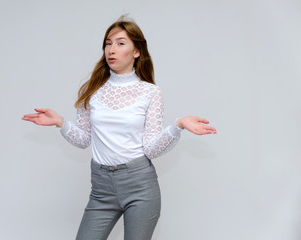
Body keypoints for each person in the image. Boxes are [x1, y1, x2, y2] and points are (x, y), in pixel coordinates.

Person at [22, 15, 217, 240]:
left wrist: (178, 126)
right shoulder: (92, 90)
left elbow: (151, 149)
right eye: (108, 43)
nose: (111, 49)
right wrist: (61, 123)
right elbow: (84, 140)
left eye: (120, 43)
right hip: (101, 187)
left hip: (140, 185)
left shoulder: (150, 92)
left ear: (136, 52)